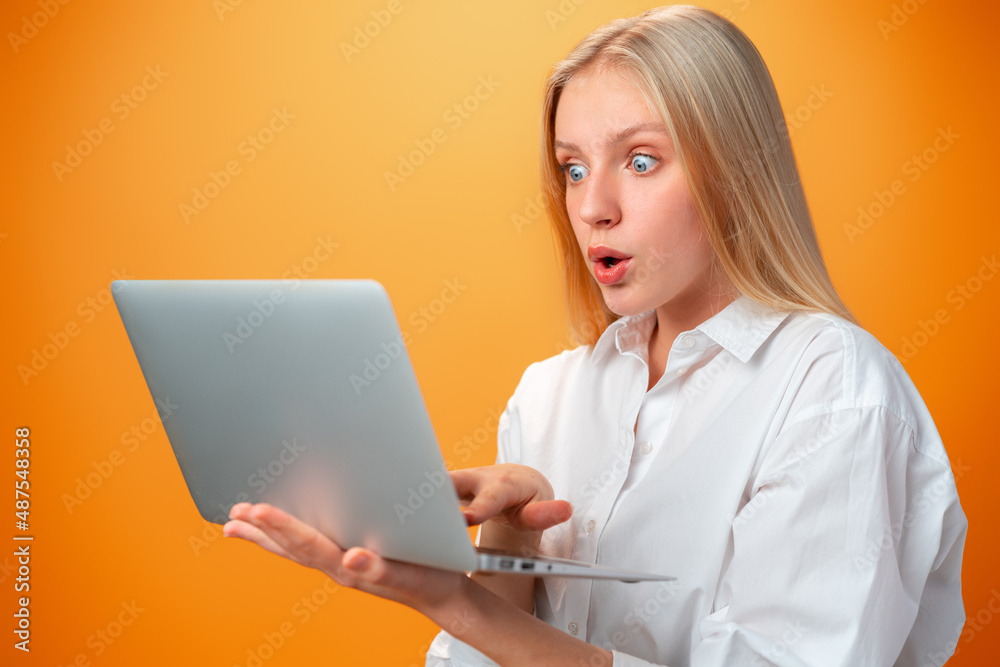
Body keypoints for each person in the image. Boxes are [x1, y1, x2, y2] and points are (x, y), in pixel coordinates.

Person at [223, 5, 967, 665]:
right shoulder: (548, 394)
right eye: (573, 169)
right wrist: (509, 546)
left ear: (736, 173)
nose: (592, 208)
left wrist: (453, 602)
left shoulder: (832, 386)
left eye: (640, 161)